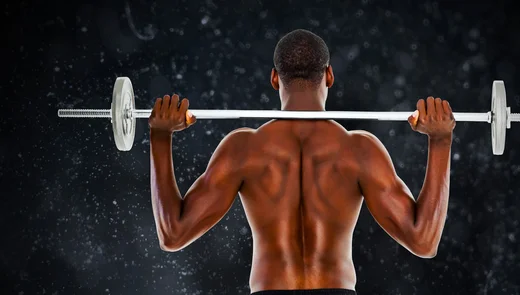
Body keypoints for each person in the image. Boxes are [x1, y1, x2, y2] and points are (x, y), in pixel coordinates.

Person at [148, 29, 455, 295]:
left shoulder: (242, 149)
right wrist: (440, 141)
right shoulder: (360, 150)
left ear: (273, 78)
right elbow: (423, 241)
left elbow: (173, 234)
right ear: (330, 76)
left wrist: (161, 137)